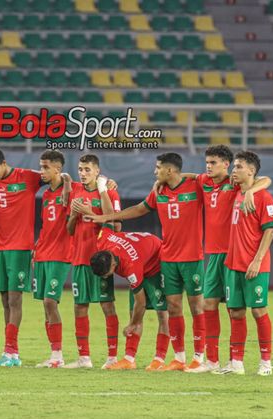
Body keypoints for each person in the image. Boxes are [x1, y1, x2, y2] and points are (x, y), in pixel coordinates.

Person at [86, 152, 204, 371]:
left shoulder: (195, 186)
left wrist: (175, 176)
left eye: (158, 168)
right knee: (169, 307)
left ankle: (187, 357)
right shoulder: (157, 192)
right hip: (166, 256)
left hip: (170, 259)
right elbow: (140, 209)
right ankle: (148, 359)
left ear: (170, 170)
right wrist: (108, 217)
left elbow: (205, 178)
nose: (154, 171)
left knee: (180, 308)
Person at [187, 145, 271, 373]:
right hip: (213, 254)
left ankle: (242, 360)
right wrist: (161, 181)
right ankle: (212, 361)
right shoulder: (204, 181)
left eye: (214, 163)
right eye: (207, 162)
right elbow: (188, 176)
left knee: (241, 309)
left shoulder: (235, 184)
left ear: (226, 164)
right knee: (209, 304)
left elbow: (265, 179)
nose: (209, 166)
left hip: (234, 253)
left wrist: (252, 192)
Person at [0, 148, 44, 367]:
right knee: (5, 300)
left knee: (15, 299)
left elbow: (57, 174)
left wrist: (66, 181)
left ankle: (11, 351)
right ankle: (11, 353)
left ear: (4, 163)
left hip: (19, 247)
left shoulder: (28, 177)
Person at [217, 151, 273, 376]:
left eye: (239, 167)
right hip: (232, 264)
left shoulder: (264, 197)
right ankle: (236, 363)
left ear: (251, 171)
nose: (234, 170)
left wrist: (258, 260)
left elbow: (269, 230)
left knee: (259, 311)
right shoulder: (237, 193)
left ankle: (266, 363)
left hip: (254, 265)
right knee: (236, 313)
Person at [64, 154, 121, 369]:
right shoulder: (76, 191)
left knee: (107, 306)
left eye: (88, 169)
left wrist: (89, 211)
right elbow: (69, 230)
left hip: (101, 260)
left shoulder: (110, 192)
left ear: (97, 171)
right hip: (79, 258)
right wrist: (72, 215)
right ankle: (84, 358)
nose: (83, 173)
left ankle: (112, 357)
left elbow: (115, 224)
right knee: (80, 307)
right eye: (81, 169)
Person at [89, 226, 167, 370]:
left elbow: (141, 302)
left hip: (157, 263)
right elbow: (108, 225)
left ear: (113, 264)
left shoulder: (130, 266)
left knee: (162, 313)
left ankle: (159, 359)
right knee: (133, 313)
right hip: (142, 256)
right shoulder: (102, 240)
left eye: (107, 273)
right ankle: (129, 359)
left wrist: (132, 325)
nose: (106, 277)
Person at [33, 150, 72, 368]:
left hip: (60, 254)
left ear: (58, 168)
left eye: (46, 167)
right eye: (41, 167)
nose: (42, 171)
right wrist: (37, 247)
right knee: (45, 306)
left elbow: (71, 180)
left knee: (50, 301)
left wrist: (67, 179)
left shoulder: (71, 190)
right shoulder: (46, 194)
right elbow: (46, 226)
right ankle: (53, 354)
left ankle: (58, 355)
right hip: (43, 253)